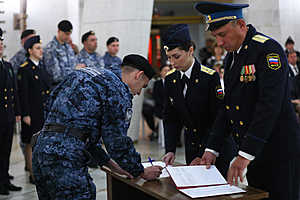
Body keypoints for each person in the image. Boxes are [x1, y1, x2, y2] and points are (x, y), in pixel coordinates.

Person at [195, 2, 300, 200]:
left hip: (277, 149)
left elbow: (268, 106)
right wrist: (211, 149)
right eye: (215, 36)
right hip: (254, 151)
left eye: (223, 34)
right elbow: (228, 107)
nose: (219, 42)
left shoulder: (268, 51)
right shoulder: (232, 57)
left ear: (241, 25)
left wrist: (244, 155)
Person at [32, 54, 162, 199]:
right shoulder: (117, 89)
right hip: (66, 161)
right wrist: (139, 171)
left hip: (41, 152)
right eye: (142, 87)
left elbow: (70, 125)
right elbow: (116, 141)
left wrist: (107, 161)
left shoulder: (84, 73)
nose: (138, 93)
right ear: (139, 75)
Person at [161, 24, 234, 177]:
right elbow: (170, 118)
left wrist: (205, 152)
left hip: (214, 146)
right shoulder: (170, 79)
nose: (172, 63)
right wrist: (170, 149)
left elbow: (218, 119)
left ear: (190, 50)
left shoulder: (209, 77)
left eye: (176, 56)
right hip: (192, 146)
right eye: (169, 57)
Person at [17, 35, 51, 184]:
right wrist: (25, 114)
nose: (40, 50)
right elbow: (22, 93)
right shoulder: (25, 69)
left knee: (42, 142)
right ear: (30, 50)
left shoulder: (41, 67)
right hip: (32, 112)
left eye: (40, 47)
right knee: (31, 143)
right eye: (37, 48)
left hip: (43, 112)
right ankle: (32, 173)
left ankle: (42, 170)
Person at [9, 29, 36, 173]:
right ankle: (28, 164)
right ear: (23, 41)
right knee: (26, 139)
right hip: (23, 100)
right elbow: (14, 84)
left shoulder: (36, 55)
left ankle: (30, 165)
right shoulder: (18, 58)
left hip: (34, 101)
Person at [0, 28, 22, 195]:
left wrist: (16, 112)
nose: (1, 45)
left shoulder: (7, 65)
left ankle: (5, 180)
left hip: (7, 116)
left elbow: (14, 91)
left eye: (1, 43)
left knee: (6, 150)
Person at [43, 20, 84, 88]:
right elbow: (55, 76)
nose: (68, 36)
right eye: (66, 34)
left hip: (71, 87)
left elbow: (74, 64)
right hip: (58, 89)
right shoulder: (50, 49)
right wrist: (75, 70)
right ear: (59, 31)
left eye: (69, 34)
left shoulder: (68, 47)